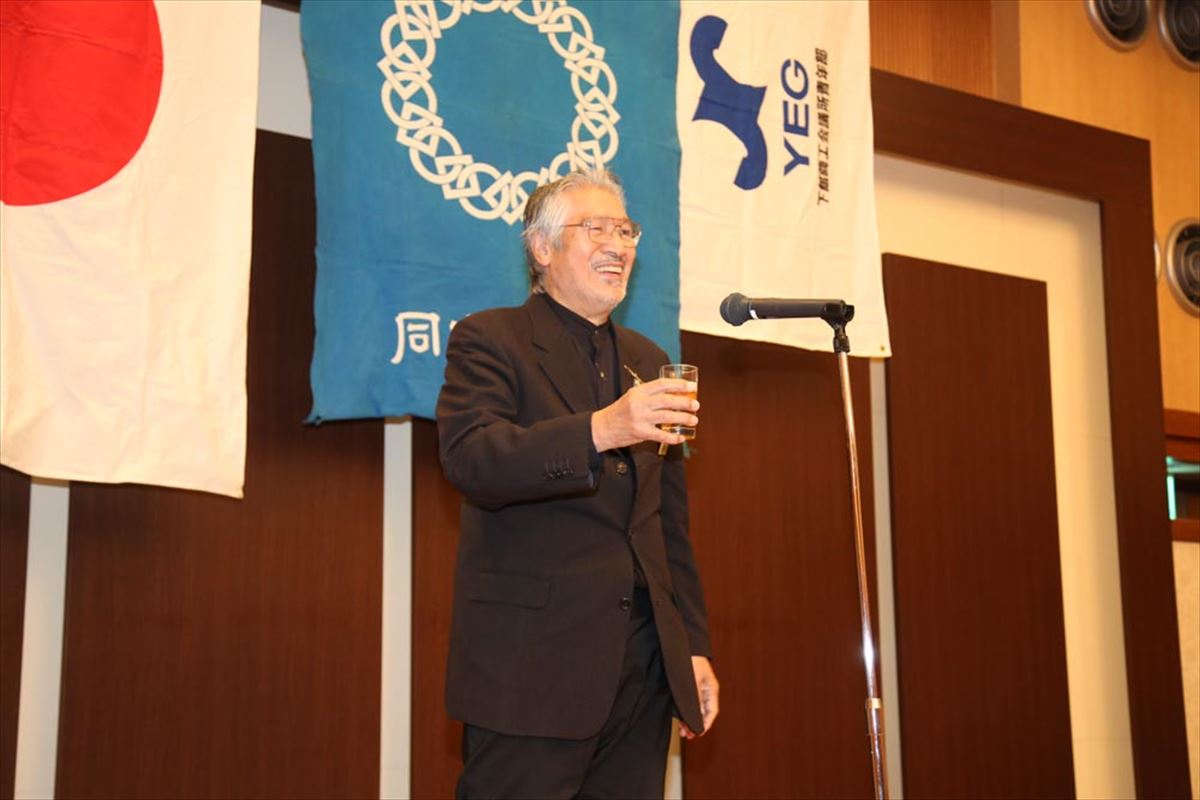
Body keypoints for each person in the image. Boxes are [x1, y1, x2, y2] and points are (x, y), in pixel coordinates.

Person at [435, 167, 718, 799]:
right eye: (597, 229)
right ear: (542, 248)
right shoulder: (490, 339)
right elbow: (472, 459)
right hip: (531, 668)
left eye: (626, 231)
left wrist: (691, 647)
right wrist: (601, 429)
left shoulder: (647, 360)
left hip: (642, 669)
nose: (618, 245)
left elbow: (667, 523)